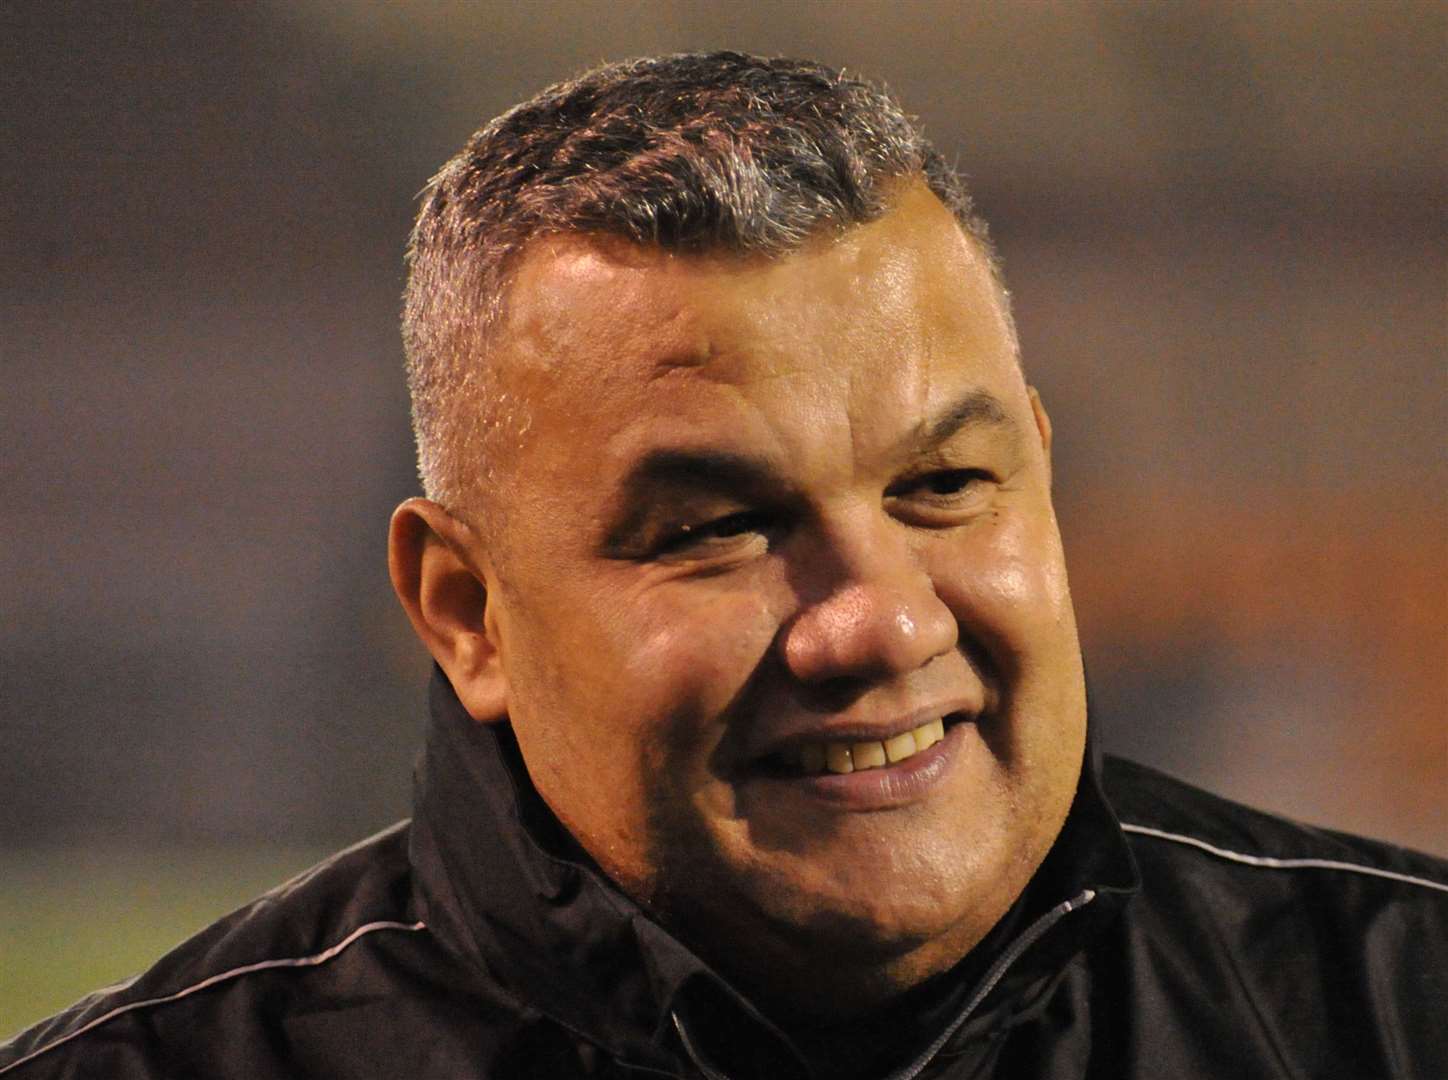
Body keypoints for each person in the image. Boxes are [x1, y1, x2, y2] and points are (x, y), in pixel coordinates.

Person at [3, 50, 1444, 1080]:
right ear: (465, 612)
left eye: (946, 485)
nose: (875, 622)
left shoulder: (1396, 1002)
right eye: (711, 529)